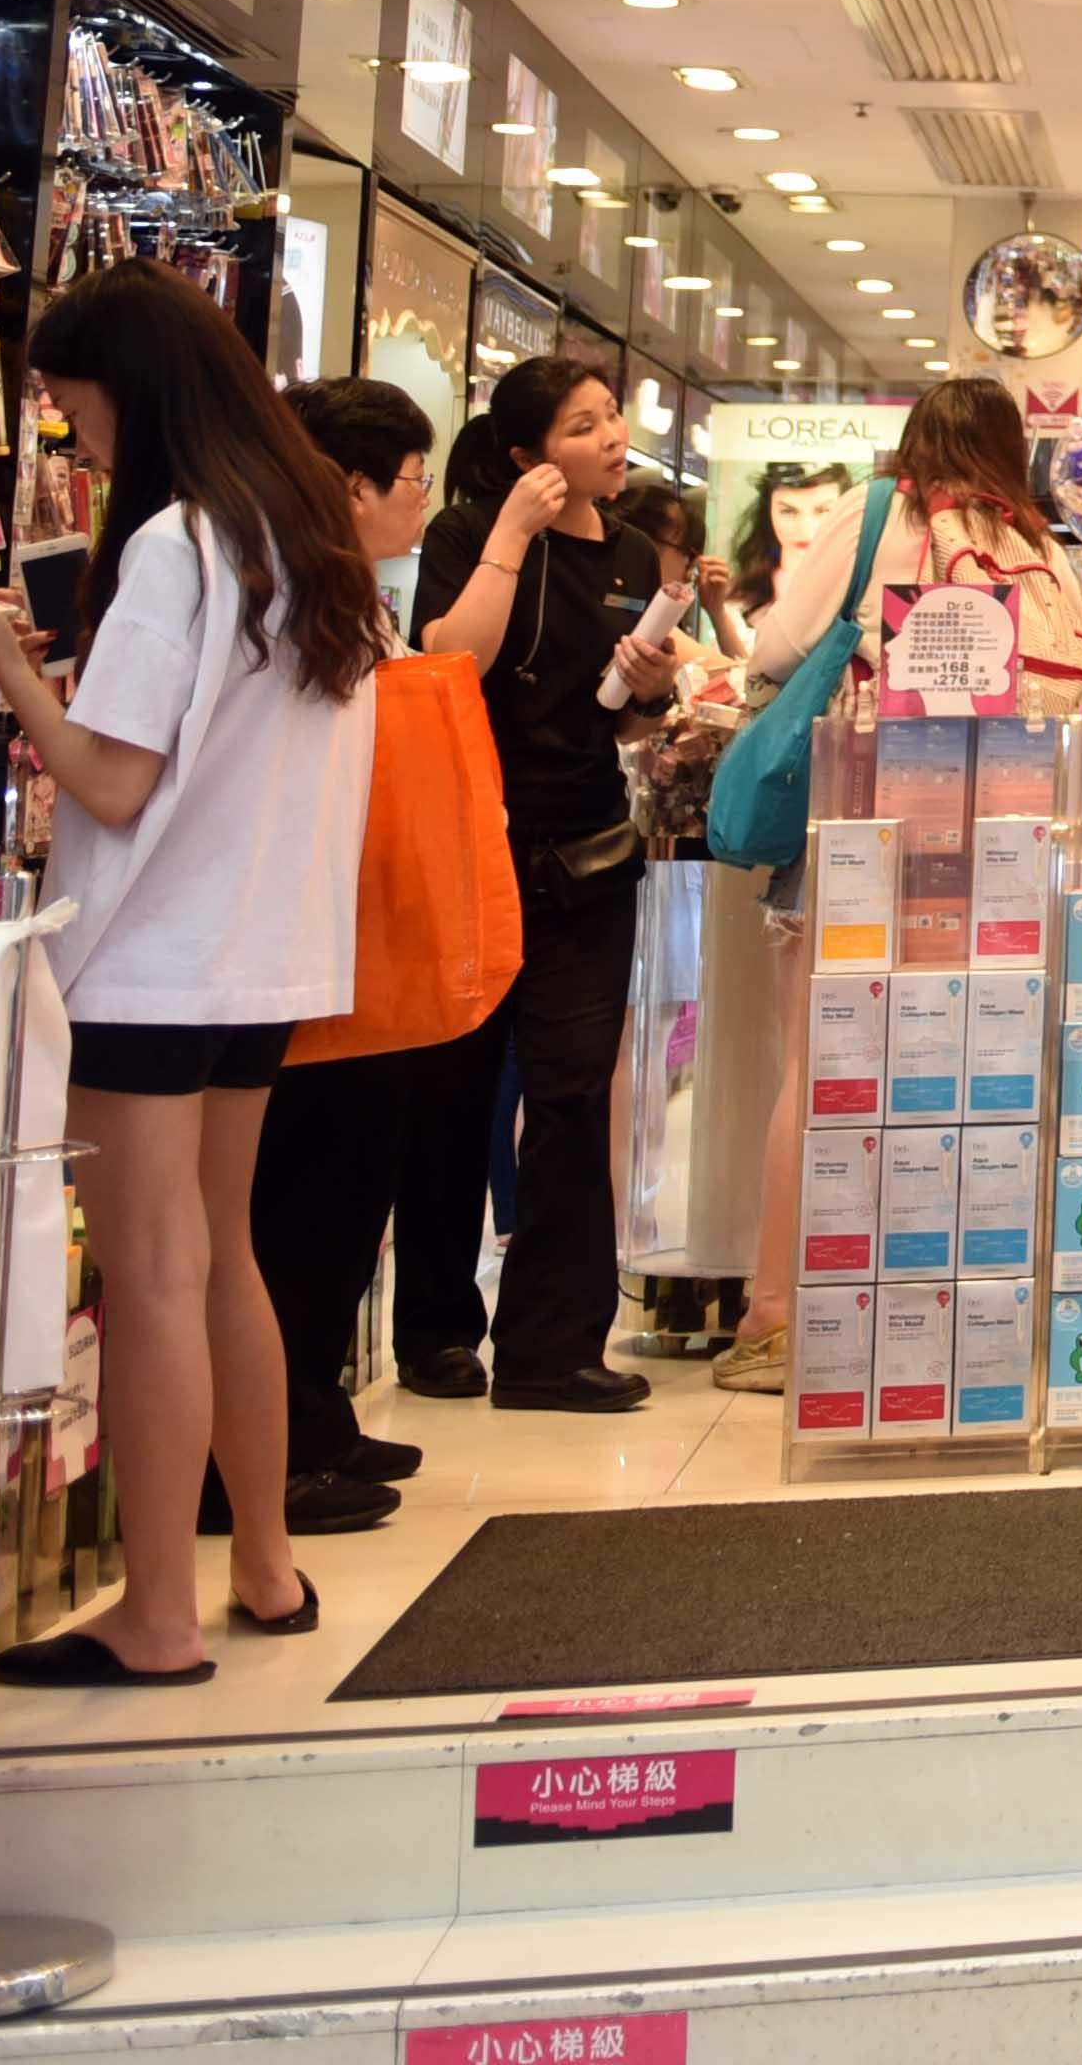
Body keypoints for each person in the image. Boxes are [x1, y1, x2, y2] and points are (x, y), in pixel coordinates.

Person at [0, 268, 381, 1681]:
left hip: (150, 960)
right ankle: (265, 1564)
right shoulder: (307, 538)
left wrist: (4, 661)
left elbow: (111, 783)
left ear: (133, 388)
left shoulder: (178, 544)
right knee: (222, 1253)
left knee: (156, 1272)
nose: (72, 430)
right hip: (262, 959)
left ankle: (158, 1611)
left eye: (71, 402)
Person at [725, 380, 1082, 1392]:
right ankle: (938, 1308)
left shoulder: (879, 512)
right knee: (958, 1075)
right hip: (993, 849)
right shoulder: (1038, 546)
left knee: (818, 1068)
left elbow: (776, 647)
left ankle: (777, 1318)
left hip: (860, 823)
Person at [409, 355, 688, 1411]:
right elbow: (450, 659)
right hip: (470, 844)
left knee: (571, 1098)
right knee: (453, 1089)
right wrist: (512, 535)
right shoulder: (468, 534)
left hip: (587, 850)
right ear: (528, 453)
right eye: (582, 425)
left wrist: (650, 693)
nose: (612, 437)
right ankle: (437, 1330)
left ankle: (552, 1345)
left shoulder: (629, 550)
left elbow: (620, 722)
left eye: (612, 416)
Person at [230, 376, 462, 1536]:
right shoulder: (277, 591)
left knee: (349, 1184)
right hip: (296, 940)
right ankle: (269, 1450)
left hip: (352, 932)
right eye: (414, 478)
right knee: (304, 1196)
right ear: (352, 484)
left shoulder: (345, 595)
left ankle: (313, 1416)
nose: (423, 500)